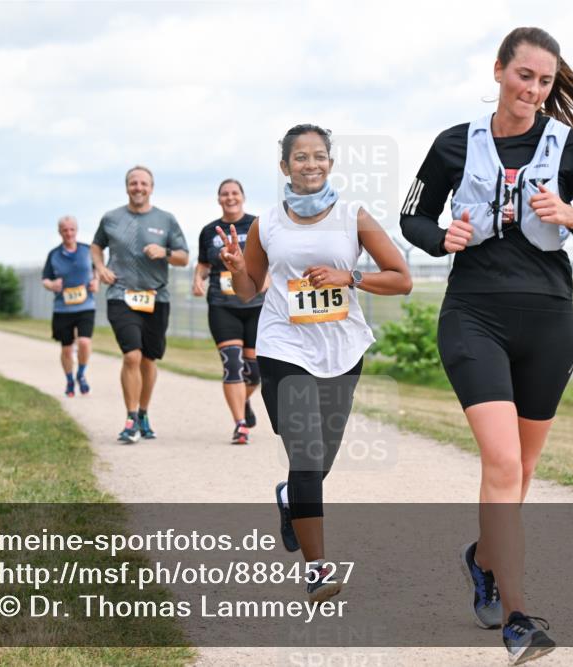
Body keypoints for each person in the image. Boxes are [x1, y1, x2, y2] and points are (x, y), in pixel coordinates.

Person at [401, 27, 573, 665]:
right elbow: (412, 216)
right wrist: (440, 237)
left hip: (549, 322)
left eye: (545, 81)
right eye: (523, 75)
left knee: (520, 472)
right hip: (474, 316)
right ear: (499, 70)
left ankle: (482, 557)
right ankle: (518, 615)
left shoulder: (570, 148)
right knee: (503, 465)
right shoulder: (454, 144)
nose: (533, 90)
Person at [216, 124, 412, 602]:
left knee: (318, 460)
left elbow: (401, 278)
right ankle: (318, 568)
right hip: (284, 346)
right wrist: (239, 268)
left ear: (330, 162)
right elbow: (249, 291)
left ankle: (290, 498)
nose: (310, 165)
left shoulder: (353, 216)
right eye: (300, 157)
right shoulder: (267, 223)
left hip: (342, 349)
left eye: (319, 156)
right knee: (305, 455)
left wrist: (351, 275)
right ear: (284, 166)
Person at [92, 165, 189, 443]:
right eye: (133, 183)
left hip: (156, 297)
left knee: (148, 359)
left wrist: (165, 252)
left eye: (143, 183)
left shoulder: (166, 220)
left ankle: (144, 413)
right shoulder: (111, 218)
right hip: (120, 295)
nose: (138, 188)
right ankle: (131, 417)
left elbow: (183, 256)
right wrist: (99, 267)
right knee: (131, 355)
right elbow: (96, 246)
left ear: (151, 187)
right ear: (127, 187)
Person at [194, 179, 268, 445]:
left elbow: (272, 259)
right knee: (232, 365)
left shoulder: (258, 224)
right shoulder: (208, 231)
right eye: (224, 194)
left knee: (254, 372)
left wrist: (266, 280)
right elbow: (203, 264)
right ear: (218, 199)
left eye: (234, 193)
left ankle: (243, 401)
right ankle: (240, 425)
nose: (230, 197)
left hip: (256, 306)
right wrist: (198, 279)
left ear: (243, 197)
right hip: (222, 305)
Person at [43, 215, 99, 397]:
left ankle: (81, 374)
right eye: (65, 230)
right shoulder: (53, 255)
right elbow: (45, 279)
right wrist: (52, 285)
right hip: (63, 308)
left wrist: (96, 281)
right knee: (66, 349)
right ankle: (69, 380)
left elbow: (98, 267)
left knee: (84, 342)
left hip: (85, 305)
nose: (69, 233)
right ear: (60, 232)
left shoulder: (87, 250)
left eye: (72, 229)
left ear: (77, 230)